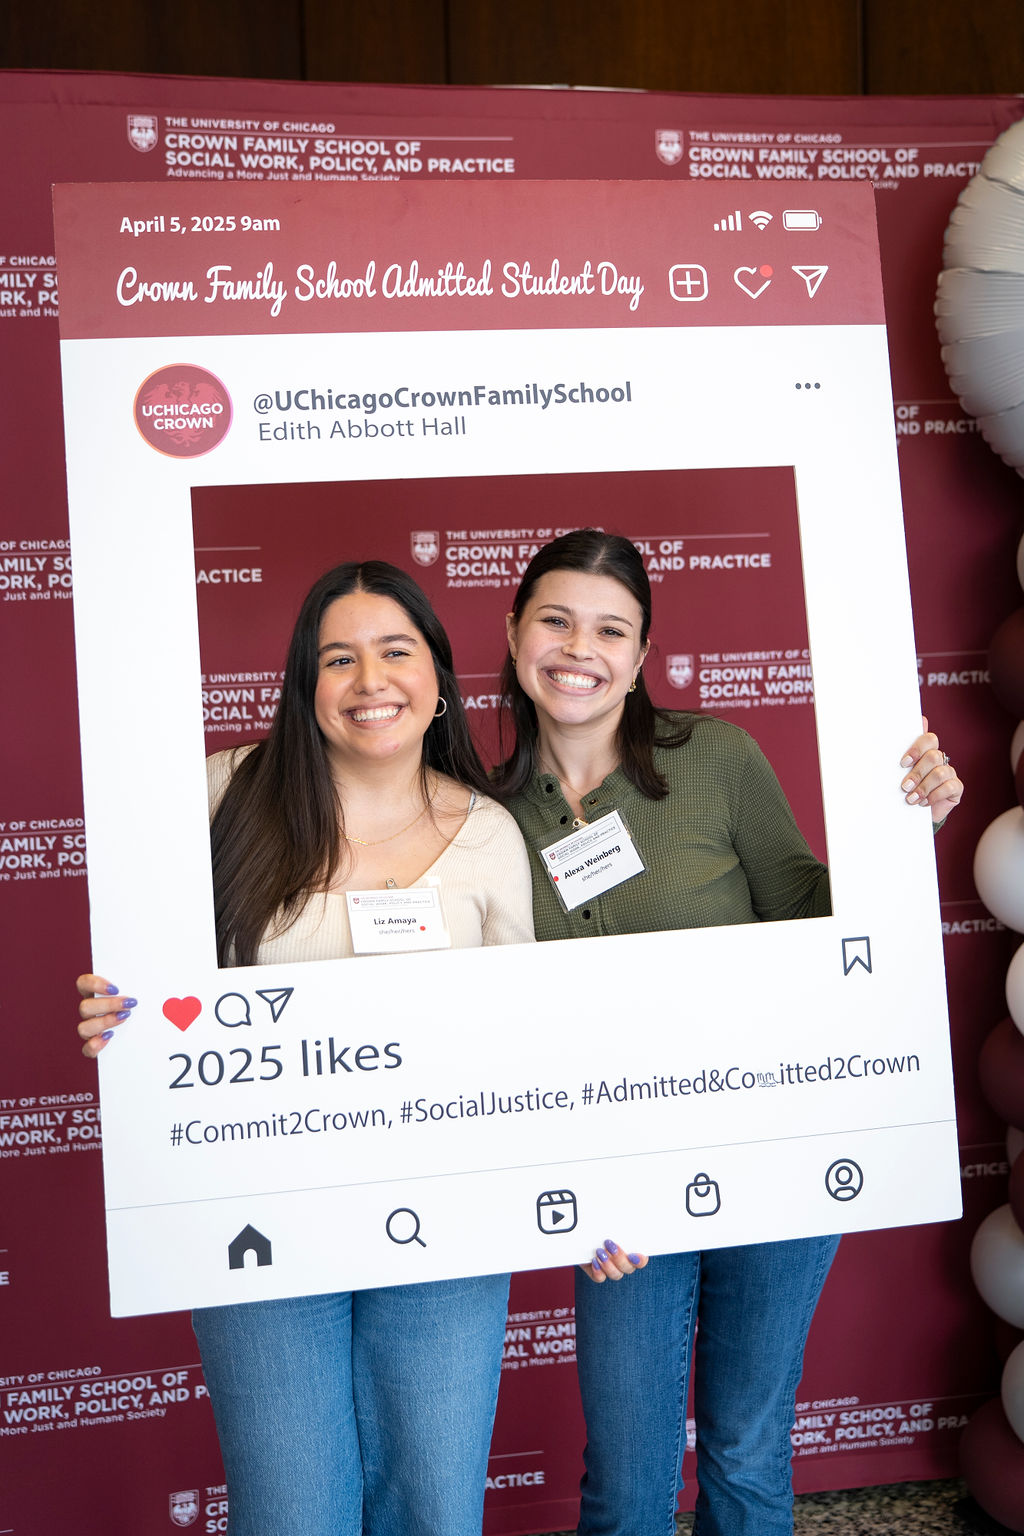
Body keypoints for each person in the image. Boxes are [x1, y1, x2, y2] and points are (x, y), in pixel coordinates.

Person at [492, 529, 963, 1536]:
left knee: (746, 1451)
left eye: (610, 630)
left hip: (774, 1146)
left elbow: (809, 910)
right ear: (515, 631)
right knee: (626, 1479)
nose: (580, 649)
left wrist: (904, 829)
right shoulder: (482, 815)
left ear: (641, 654)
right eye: (556, 620)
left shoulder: (714, 758)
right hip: (617, 1182)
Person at [77, 560, 535, 1536]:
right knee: (292, 1514)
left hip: (445, 1217)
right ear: (306, 683)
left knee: (436, 1508)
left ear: (439, 675)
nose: (370, 680)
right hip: (260, 1214)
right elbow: (149, 986)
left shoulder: (491, 835)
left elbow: (527, 1041)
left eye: (395, 651)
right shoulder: (222, 794)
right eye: (338, 658)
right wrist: (120, 1015)